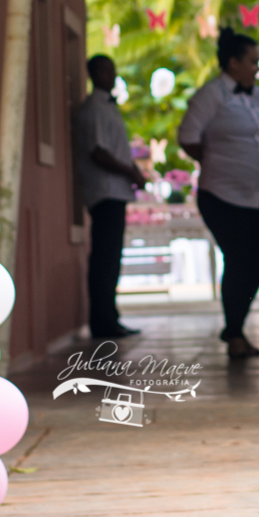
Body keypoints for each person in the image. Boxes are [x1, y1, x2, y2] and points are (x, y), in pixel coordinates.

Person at [178, 28, 259, 360]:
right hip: (222, 194)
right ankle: (234, 333)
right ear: (232, 63)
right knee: (237, 260)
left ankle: (235, 327)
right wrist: (217, 160)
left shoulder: (257, 96)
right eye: (252, 62)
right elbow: (187, 136)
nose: (257, 68)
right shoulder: (212, 94)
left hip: (258, 196)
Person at [76, 54, 146, 339]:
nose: (110, 74)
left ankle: (110, 316)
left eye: (112, 69)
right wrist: (129, 171)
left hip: (115, 191)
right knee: (105, 258)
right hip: (104, 191)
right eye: (104, 70)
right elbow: (99, 152)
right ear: (93, 73)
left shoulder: (108, 107)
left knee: (112, 257)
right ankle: (102, 320)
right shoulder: (94, 108)